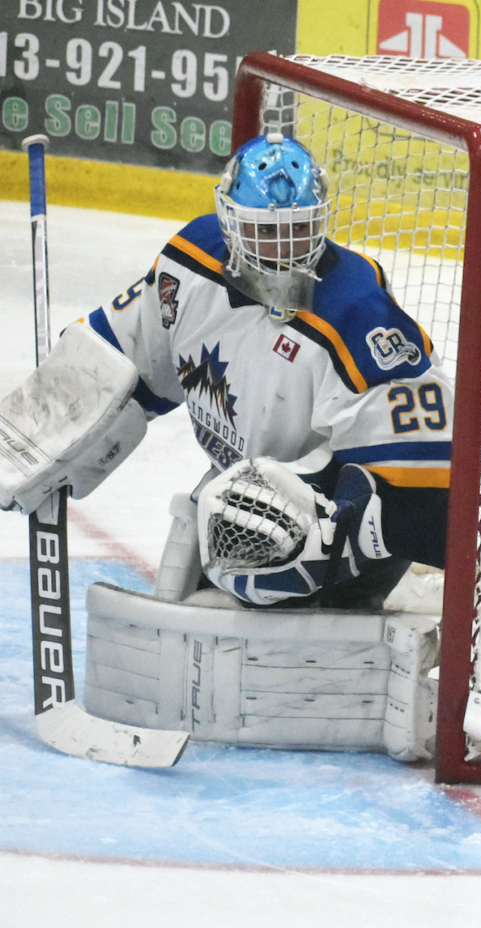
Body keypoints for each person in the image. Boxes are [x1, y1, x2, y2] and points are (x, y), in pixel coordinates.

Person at [1, 132, 452, 610]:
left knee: (238, 526)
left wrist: (330, 537)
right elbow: (117, 358)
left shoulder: (359, 318)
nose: (286, 248)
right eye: (267, 231)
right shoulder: (191, 263)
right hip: (244, 491)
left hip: (323, 521)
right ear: (231, 224)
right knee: (202, 527)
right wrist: (43, 426)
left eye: (300, 229)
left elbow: (426, 488)